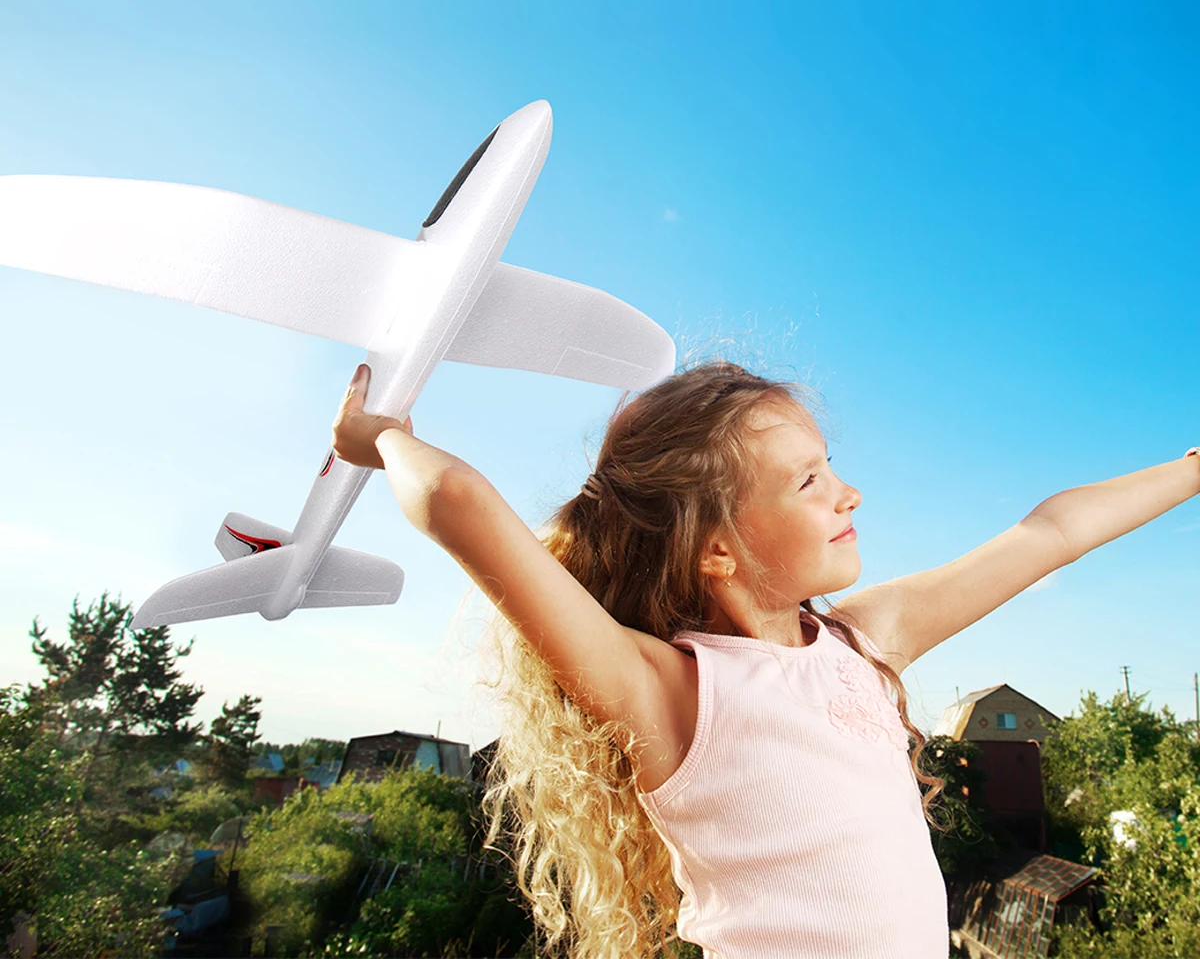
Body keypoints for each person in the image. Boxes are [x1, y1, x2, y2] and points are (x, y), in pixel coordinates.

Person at [331, 358, 1200, 959]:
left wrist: (1193, 468)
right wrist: (382, 441)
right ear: (716, 550)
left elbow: (1051, 532)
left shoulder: (864, 641)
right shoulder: (671, 693)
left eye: (832, 467)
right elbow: (455, 499)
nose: (846, 493)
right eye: (807, 481)